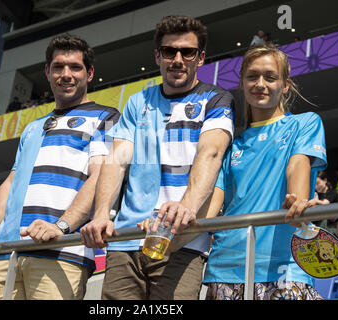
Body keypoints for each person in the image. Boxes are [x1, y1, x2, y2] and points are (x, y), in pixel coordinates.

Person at [80, 15, 234, 300]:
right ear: (157, 56)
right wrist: (101, 214)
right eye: (169, 51)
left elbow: (211, 154)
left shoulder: (217, 99)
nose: (178, 59)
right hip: (126, 241)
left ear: (200, 58)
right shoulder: (137, 101)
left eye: (187, 52)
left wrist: (184, 211)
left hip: (182, 240)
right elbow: (116, 160)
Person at [0, 34, 120, 300]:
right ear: (47, 72)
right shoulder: (32, 127)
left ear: (89, 73)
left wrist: (62, 226)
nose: (66, 74)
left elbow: (101, 176)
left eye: (75, 67)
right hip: (4, 254)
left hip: (61, 252)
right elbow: (12, 181)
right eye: (58, 67)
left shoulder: (106, 117)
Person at [200, 44, 327, 300]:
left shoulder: (305, 123)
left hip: (286, 266)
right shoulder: (232, 144)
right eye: (252, 76)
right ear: (242, 83)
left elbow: (297, 165)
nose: (260, 83)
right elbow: (210, 209)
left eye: (270, 77)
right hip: (226, 269)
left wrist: (297, 199)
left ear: (285, 85)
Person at [312, 171, 338, 236]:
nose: (316, 187)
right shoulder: (316, 194)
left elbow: (325, 203)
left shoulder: (332, 192)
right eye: (314, 185)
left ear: (325, 180)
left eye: (317, 183)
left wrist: (315, 201)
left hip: (330, 226)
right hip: (316, 225)